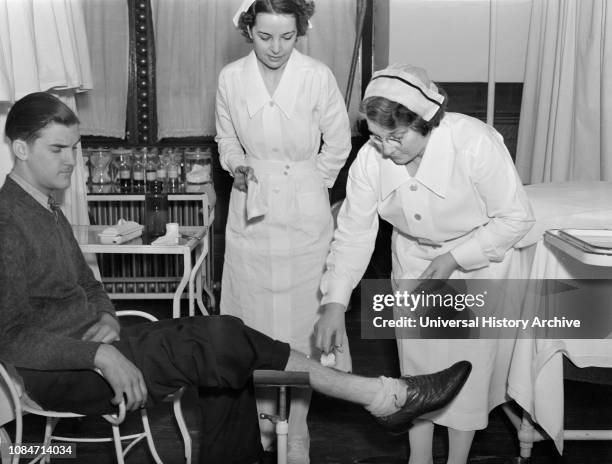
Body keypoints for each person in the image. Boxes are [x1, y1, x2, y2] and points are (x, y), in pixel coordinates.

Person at [0, 92, 472, 464]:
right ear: (20, 148)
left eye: (74, 149)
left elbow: (87, 284)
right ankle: (381, 395)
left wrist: (103, 313)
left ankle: (366, 403)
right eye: (58, 149)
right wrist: (99, 353)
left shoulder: (46, 206)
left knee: (227, 353)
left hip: (92, 349)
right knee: (222, 339)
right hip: (60, 374)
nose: (70, 161)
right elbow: (12, 338)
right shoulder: (7, 221)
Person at [315, 65, 535, 464]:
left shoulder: (473, 143)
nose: (385, 148)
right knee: (417, 369)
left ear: (426, 122)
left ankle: (457, 460)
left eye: (395, 137)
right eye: (377, 137)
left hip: (479, 263)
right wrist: (334, 301)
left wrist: (455, 258)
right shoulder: (370, 160)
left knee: (467, 371)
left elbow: (516, 218)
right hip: (415, 260)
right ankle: (419, 458)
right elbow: (353, 233)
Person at [215, 0, 352, 460]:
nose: (276, 48)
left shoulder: (317, 76)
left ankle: (298, 428)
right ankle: (261, 422)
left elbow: (338, 143)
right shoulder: (231, 78)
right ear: (248, 30)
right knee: (252, 324)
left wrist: (312, 186)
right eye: (265, 36)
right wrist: (236, 165)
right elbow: (226, 138)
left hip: (304, 207)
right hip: (250, 203)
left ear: (300, 33)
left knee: (302, 326)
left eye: (287, 37)